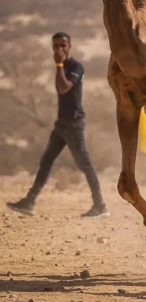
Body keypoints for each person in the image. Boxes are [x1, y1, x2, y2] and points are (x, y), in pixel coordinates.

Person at [7, 33, 108, 218]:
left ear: (69, 46)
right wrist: (59, 65)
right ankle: (29, 201)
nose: (59, 49)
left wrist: (59, 65)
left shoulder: (75, 66)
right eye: (55, 46)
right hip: (62, 123)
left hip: (73, 123)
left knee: (85, 164)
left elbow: (64, 88)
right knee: (46, 161)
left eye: (62, 45)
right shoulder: (62, 66)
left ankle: (100, 205)